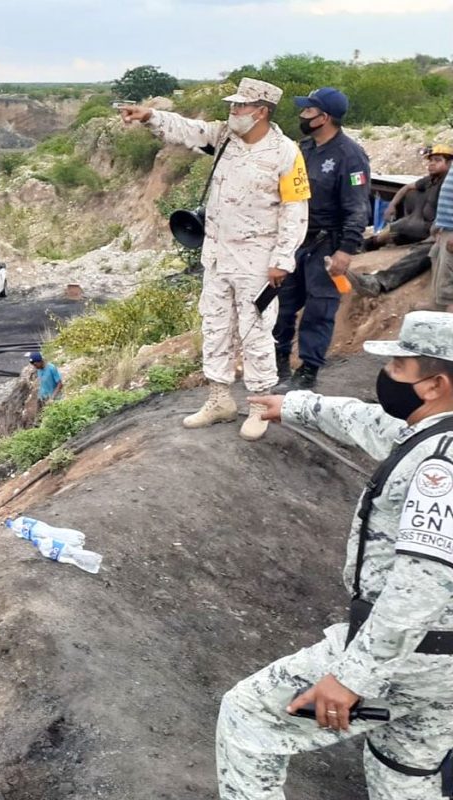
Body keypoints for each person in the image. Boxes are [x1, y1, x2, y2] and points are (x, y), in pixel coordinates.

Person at [220, 311, 453, 800]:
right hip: (442, 668)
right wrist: (297, 406)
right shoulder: (433, 433)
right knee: (405, 769)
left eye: (397, 370)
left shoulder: (441, 467)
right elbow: (369, 421)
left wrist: (352, 677)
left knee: (248, 717)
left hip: (416, 655)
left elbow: (423, 584)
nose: (386, 379)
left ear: (434, 385)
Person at [121, 77, 310, 441]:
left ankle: (259, 406)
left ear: (262, 111)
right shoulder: (224, 136)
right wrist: (149, 116)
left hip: (257, 259)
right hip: (218, 255)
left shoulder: (285, 153)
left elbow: (295, 210)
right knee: (215, 325)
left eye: (240, 106)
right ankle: (220, 399)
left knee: (255, 331)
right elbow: (188, 130)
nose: (233, 111)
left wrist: (283, 259)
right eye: (232, 105)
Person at [273, 87, 371, 393]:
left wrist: (346, 250)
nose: (302, 115)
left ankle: (307, 373)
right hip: (296, 241)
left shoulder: (350, 156)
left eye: (308, 111)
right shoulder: (304, 149)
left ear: (324, 117)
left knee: (319, 310)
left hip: (327, 245)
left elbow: (358, 207)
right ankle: (278, 366)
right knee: (282, 307)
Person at [365, 144, 451, 252]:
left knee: (395, 229)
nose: (432, 163)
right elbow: (407, 187)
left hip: (432, 229)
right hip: (416, 224)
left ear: (449, 163)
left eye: (437, 160)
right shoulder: (429, 180)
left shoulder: (447, 183)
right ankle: (373, 243)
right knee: (393, 231)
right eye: (431, 160)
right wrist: (392, 205)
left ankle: (373, 243)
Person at [431, 153, 453, 312]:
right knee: (434, 254)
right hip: (446, 228)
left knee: (449, 289)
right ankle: (438, 306)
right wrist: (439, 223)